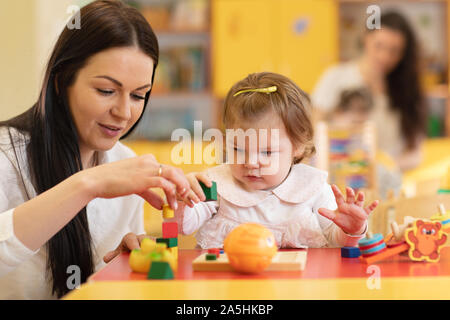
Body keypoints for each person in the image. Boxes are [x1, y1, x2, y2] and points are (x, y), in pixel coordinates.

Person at [0, 0, 195, 299]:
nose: (124, 112)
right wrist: (89, 184)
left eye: (139, 95)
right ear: (61, 81)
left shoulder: (124, 162)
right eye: (106, 91)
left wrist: (123, 268)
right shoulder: (6, 156)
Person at [172, 72, 379, 249]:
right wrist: (182, 200)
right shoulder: (217, 183)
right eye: (238, 149)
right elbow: (182, 227)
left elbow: (336, 241)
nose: (251, 162)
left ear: (297, 147)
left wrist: (351, 229)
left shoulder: (312, 188)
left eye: (267, 152)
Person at [311, 11, 427, 172]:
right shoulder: (335, 77)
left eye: (395, 51)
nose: (385, 56)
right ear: (366, 38)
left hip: (388, 182)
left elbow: (415, 153)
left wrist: (383, 168)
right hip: (341, 177)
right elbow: (313, 131)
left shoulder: (407, 90)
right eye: (379, 46)